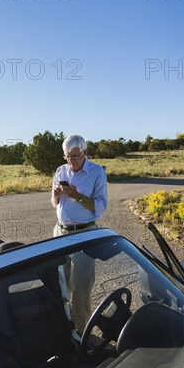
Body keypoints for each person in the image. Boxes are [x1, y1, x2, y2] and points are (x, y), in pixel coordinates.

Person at [51, 134, 108, 334]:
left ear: (85, 153)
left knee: (81, 289)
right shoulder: (60, 170)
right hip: (60, 231)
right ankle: (64, 328)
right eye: (68, 156)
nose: (71, 160)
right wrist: (57, 196)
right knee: (59, 284)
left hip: (84, 234)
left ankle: (83, 333)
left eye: (75, 156)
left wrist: (76, 196)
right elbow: (54, 203)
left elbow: (100, 208)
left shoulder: (96, 172)